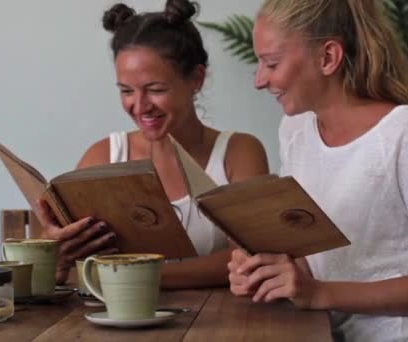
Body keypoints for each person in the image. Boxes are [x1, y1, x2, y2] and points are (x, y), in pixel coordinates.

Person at [227, 0, 408, 341]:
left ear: (328, 57)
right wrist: (265, 272)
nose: (259, 79)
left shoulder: (406, 133)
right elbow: (320, 262)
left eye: (271, 63)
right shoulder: (295, 131)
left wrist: (319, 293)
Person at [37, 0, 269, 288]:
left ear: (196, 78)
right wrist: (55, 254)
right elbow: (68, 265)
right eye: (126, 91)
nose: (140, 106)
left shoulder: (238, 153)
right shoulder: (104, 157)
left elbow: (250, 256)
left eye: (155, 89)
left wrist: (139, 276)